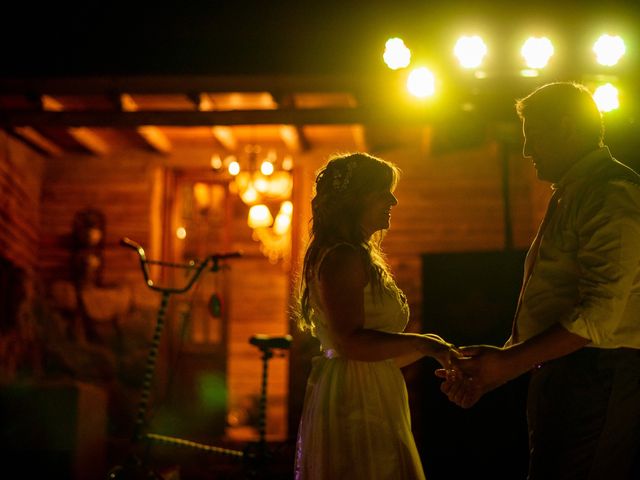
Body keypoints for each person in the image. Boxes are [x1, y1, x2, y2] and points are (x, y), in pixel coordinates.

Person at [438, 82, 640, 479]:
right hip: (574, 372)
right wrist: (500, 363)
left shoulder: (610, 193)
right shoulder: (576, 192)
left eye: (533, 137)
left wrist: (508, 363)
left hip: (600, 372)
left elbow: (598, 316)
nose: (527, 151)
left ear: (566, 127)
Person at [294, 152, 459, 479]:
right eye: (383, 191)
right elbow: (351, 344)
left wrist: (435, 349)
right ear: (357, 199)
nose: (393, 200)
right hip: (356, 403)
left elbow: (376, 354)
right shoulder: (342, 257)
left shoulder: (355, 254)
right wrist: (422, 343)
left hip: (370, 389)